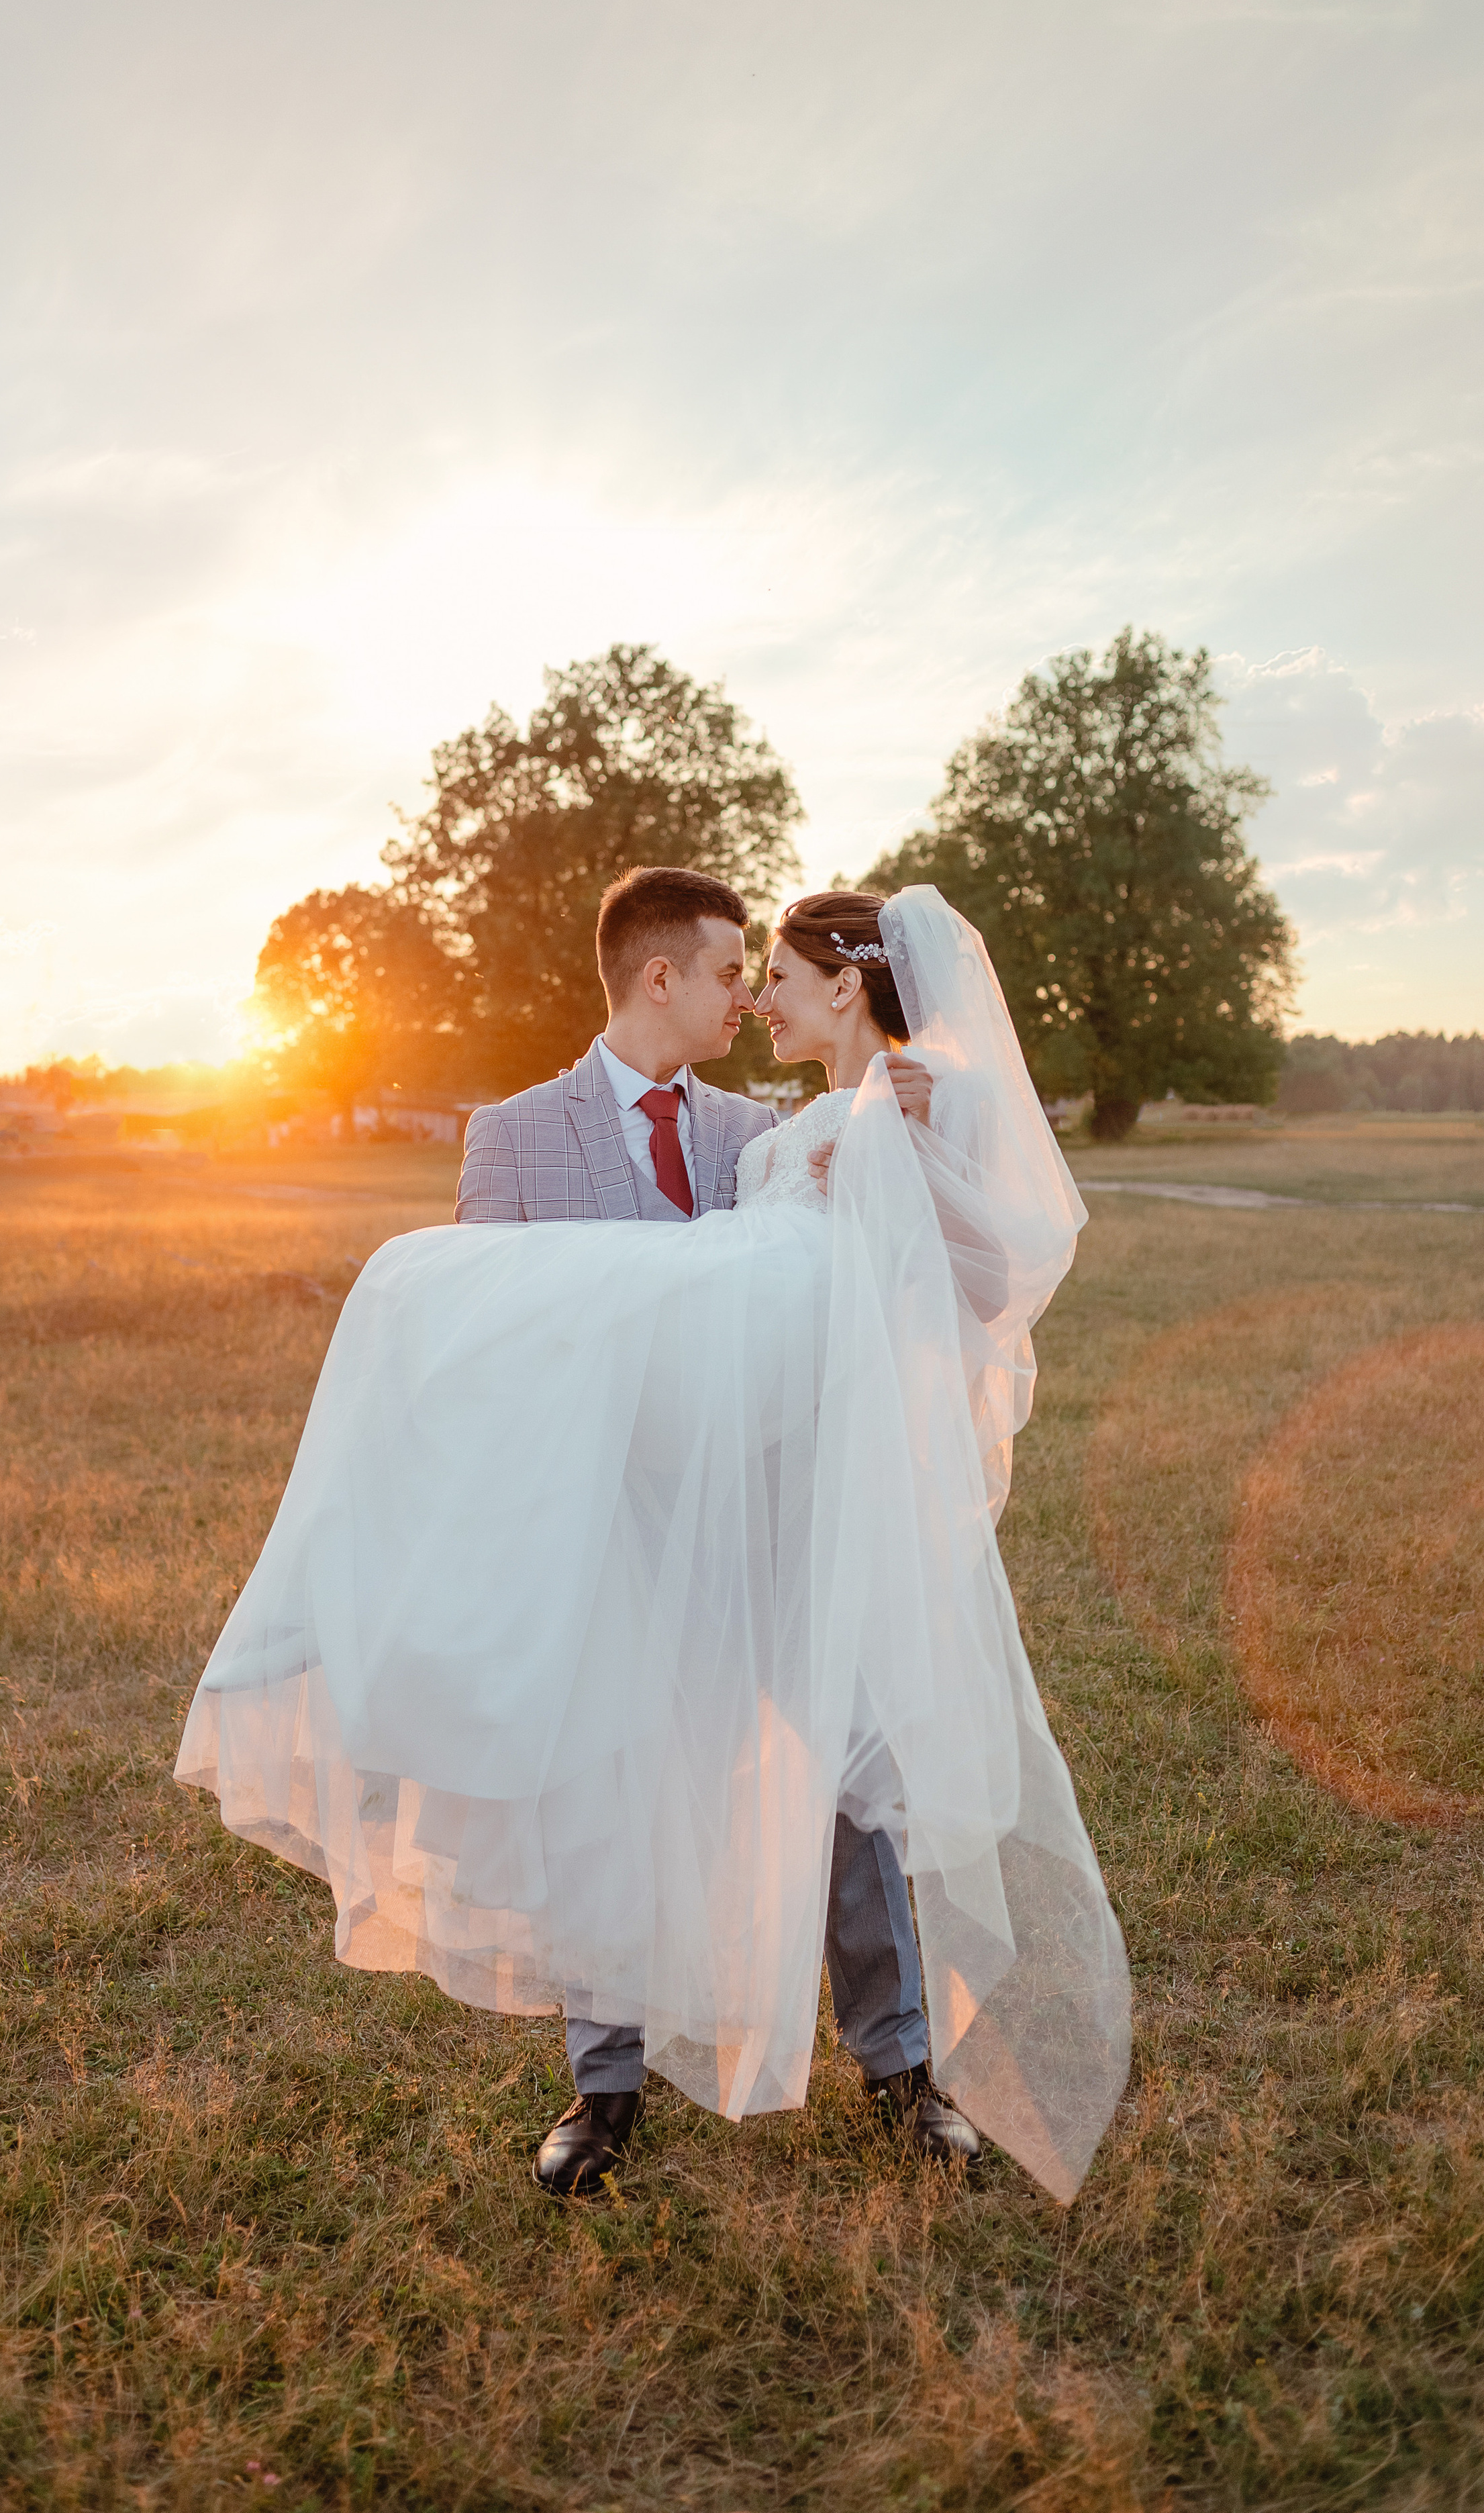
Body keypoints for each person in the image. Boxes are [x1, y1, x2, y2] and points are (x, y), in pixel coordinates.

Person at [175, 875, 1130, 2208]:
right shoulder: (512, 1139)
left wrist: (924, 1129)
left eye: (766, 973)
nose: (748, 994)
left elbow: (896, 1270)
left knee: (848, 1781)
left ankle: (900, 2072)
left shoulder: (770, 1126)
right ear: (657, 978)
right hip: (611, 1526)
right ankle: (603, 2084)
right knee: (601, 1788)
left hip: (778, 1509)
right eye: (730, 970)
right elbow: (489, 1353)